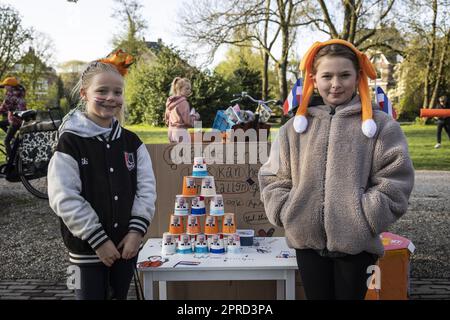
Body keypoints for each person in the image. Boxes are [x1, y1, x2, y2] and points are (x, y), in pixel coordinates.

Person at [258, 39, 415, 300]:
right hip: (307, 243)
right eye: (327, 76)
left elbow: (395, 180)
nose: (335, 84)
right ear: (313, 78)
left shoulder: (381, 127)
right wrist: (287, 211)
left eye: (344, 75)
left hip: (358, 246)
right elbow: (273, 175)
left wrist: (365, 217)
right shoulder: (294, 128)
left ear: (358, 77)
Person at [47, 50, 156, 300]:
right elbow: (63, 196)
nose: (111, 98)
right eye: (102, 91)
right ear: (84, 93)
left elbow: (147, 190)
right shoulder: (70, 143)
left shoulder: (132, 142)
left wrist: (136, 233)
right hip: (85, 251)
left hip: (126, 247)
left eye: (117, 92)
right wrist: (98, 240)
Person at [164, 77, 200, 143]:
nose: (189, 91)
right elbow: (188, 122)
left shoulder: (170, 102)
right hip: (181, 133)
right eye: (187, 88)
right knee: (186, 153)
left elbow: (166, 120)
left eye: (190, 89)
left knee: (174, 153)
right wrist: (195, 116)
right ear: (179, 89)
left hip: (171, 133)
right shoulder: (184, 102)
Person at [0, 77, 27, 158]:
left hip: (15, 121)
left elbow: (3, 108)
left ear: (10, 87)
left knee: (6, 141)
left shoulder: (11, 95)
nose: (4, 87)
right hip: (20, 119)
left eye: (6, 85)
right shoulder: (19, 92)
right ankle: (14, 140)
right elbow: (11, 108)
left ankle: (11, 160)